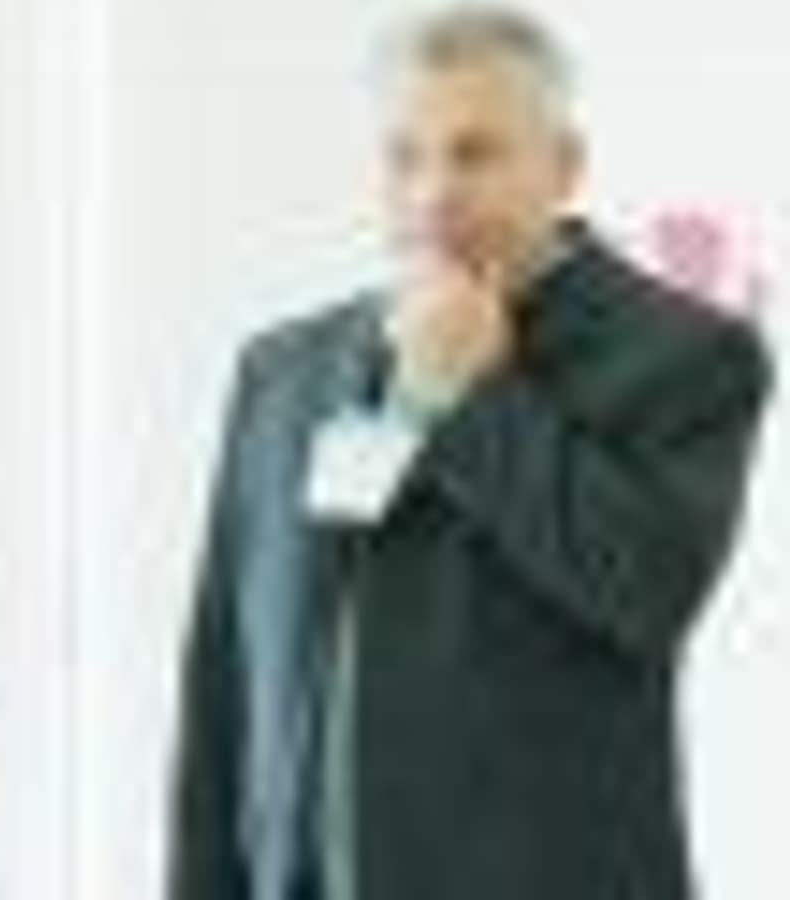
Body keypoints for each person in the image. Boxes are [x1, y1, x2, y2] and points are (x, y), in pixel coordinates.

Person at [168, 6, 771, 899]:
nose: (434, 193)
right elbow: (224, 683)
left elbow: (649, 590)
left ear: (564, 167)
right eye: (404, 156)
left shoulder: (685, 357)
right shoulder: (285, 372)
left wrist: (475, 397)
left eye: (475, 154)